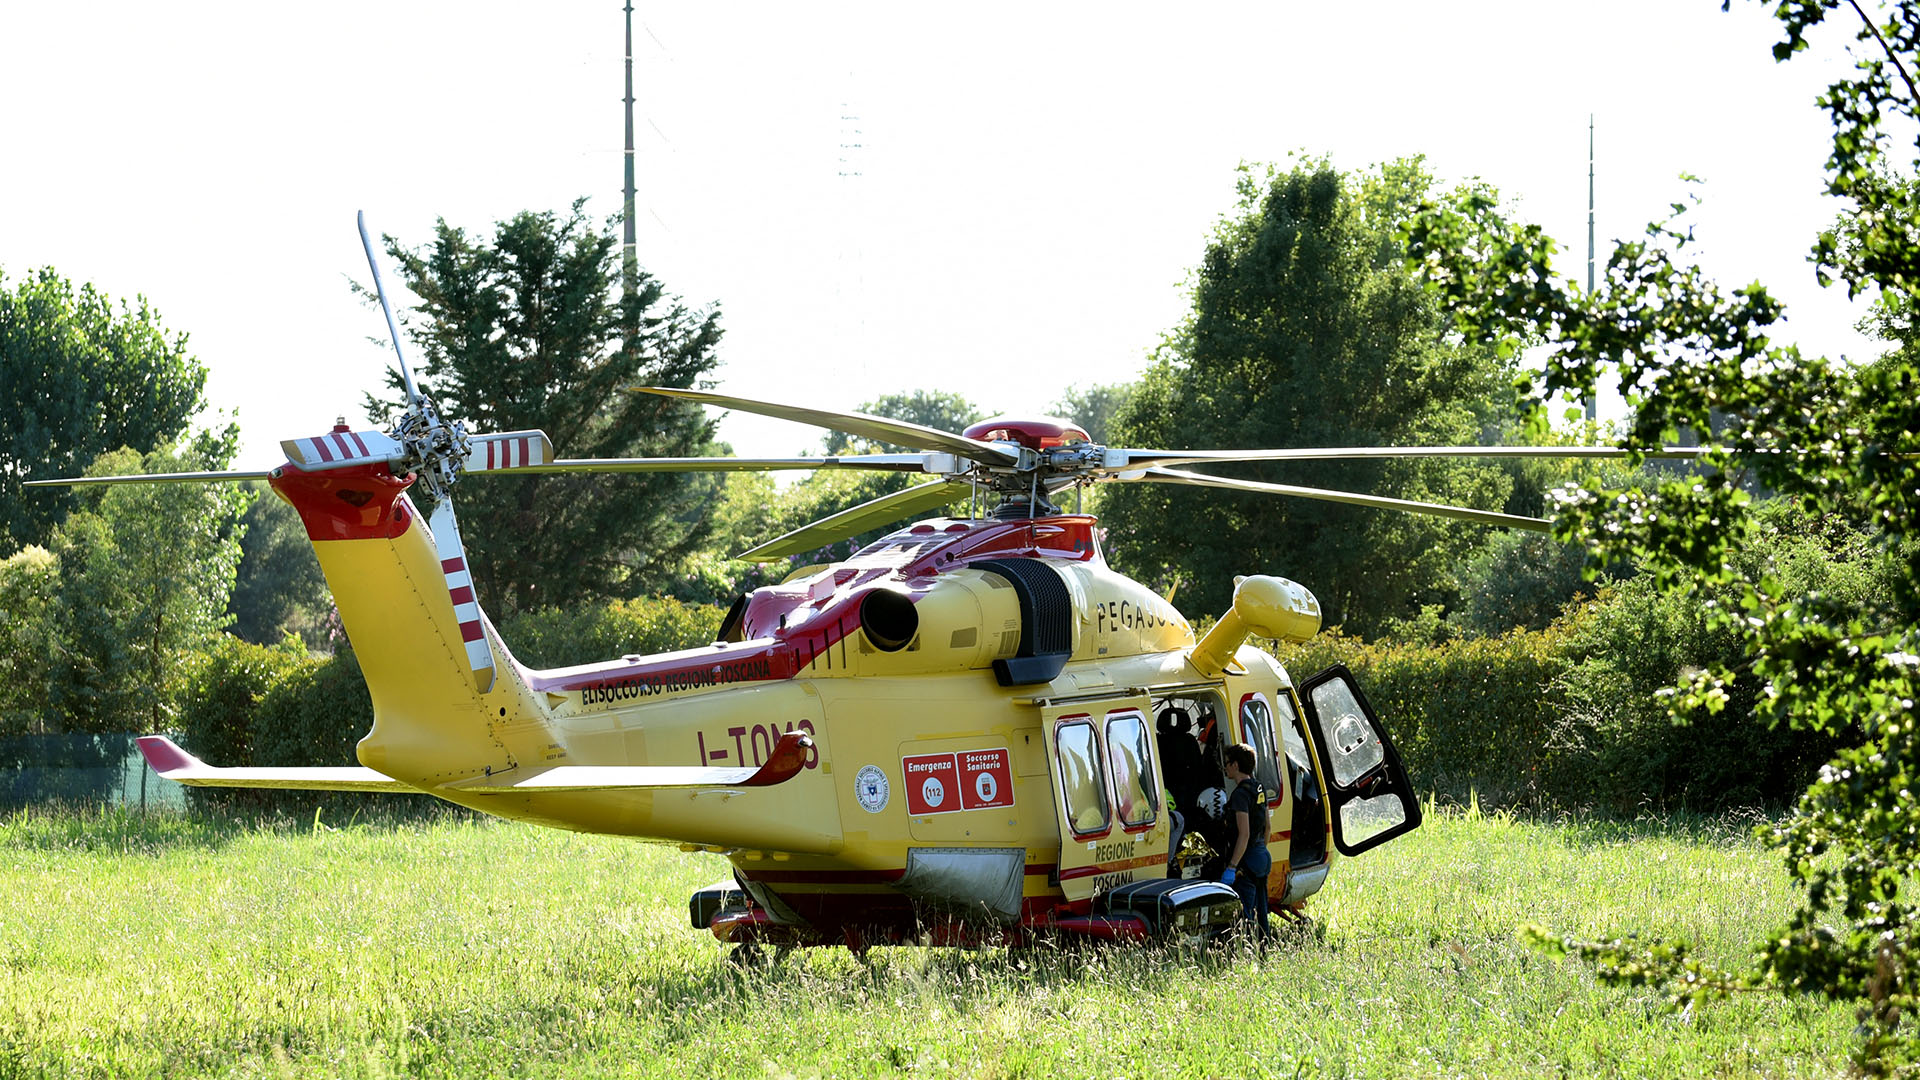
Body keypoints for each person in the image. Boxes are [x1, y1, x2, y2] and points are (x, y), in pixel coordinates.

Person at [1219, 742, 1271, 939]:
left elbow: (1244, 833)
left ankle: (1247, 954)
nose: (1225, 768)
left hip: (1247, 861)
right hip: (1262, 857)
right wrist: (1260, 851)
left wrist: (1232, 866)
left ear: (1235, 765)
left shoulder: (1240, 795)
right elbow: (1268, 827)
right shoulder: (1259, 788)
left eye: (1227, 763)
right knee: (1262, 911)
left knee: (1246, 913)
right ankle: (1265, 951)